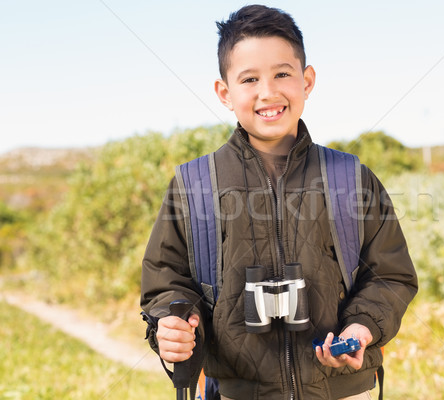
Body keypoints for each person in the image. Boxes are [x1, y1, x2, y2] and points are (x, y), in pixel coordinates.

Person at [140, 4, 418, 400]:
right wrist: (173, 322)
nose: (268, 92)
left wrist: (361, 328)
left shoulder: (350, 178)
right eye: (249, 79)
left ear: (307, 81)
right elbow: (165, 282)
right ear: (224, 92)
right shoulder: (194, 185)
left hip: (341, 391)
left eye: (282, 74)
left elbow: (391, 276)